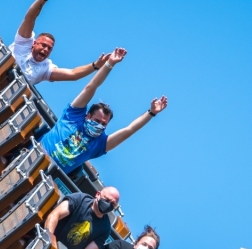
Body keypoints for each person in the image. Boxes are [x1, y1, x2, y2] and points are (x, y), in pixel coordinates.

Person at [40, 48, 168, 175]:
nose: (99, 125)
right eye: (97, 120)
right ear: (88, 115)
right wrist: (109, 64)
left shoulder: (100, 144)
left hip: (47, 177)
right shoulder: (73, 116)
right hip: (35, 156)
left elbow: (129, 130)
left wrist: (151, 113)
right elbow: (90, 87)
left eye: (103, 124)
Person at [11, 0, 109, 86]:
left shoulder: (46, 68)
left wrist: (96, 65)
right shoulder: (24, 43)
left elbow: (73, 74)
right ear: (34, 43)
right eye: (43, 45)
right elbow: (30, 18)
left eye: (49, 48)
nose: (46, 50)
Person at [44, 187, 120, 249]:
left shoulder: (105, 228)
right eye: (106, 200)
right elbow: (55, 215)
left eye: (112, 204)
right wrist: (49, 242)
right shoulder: (80, 199)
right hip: (47, 243)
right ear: (98, 194)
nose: (108, 205)